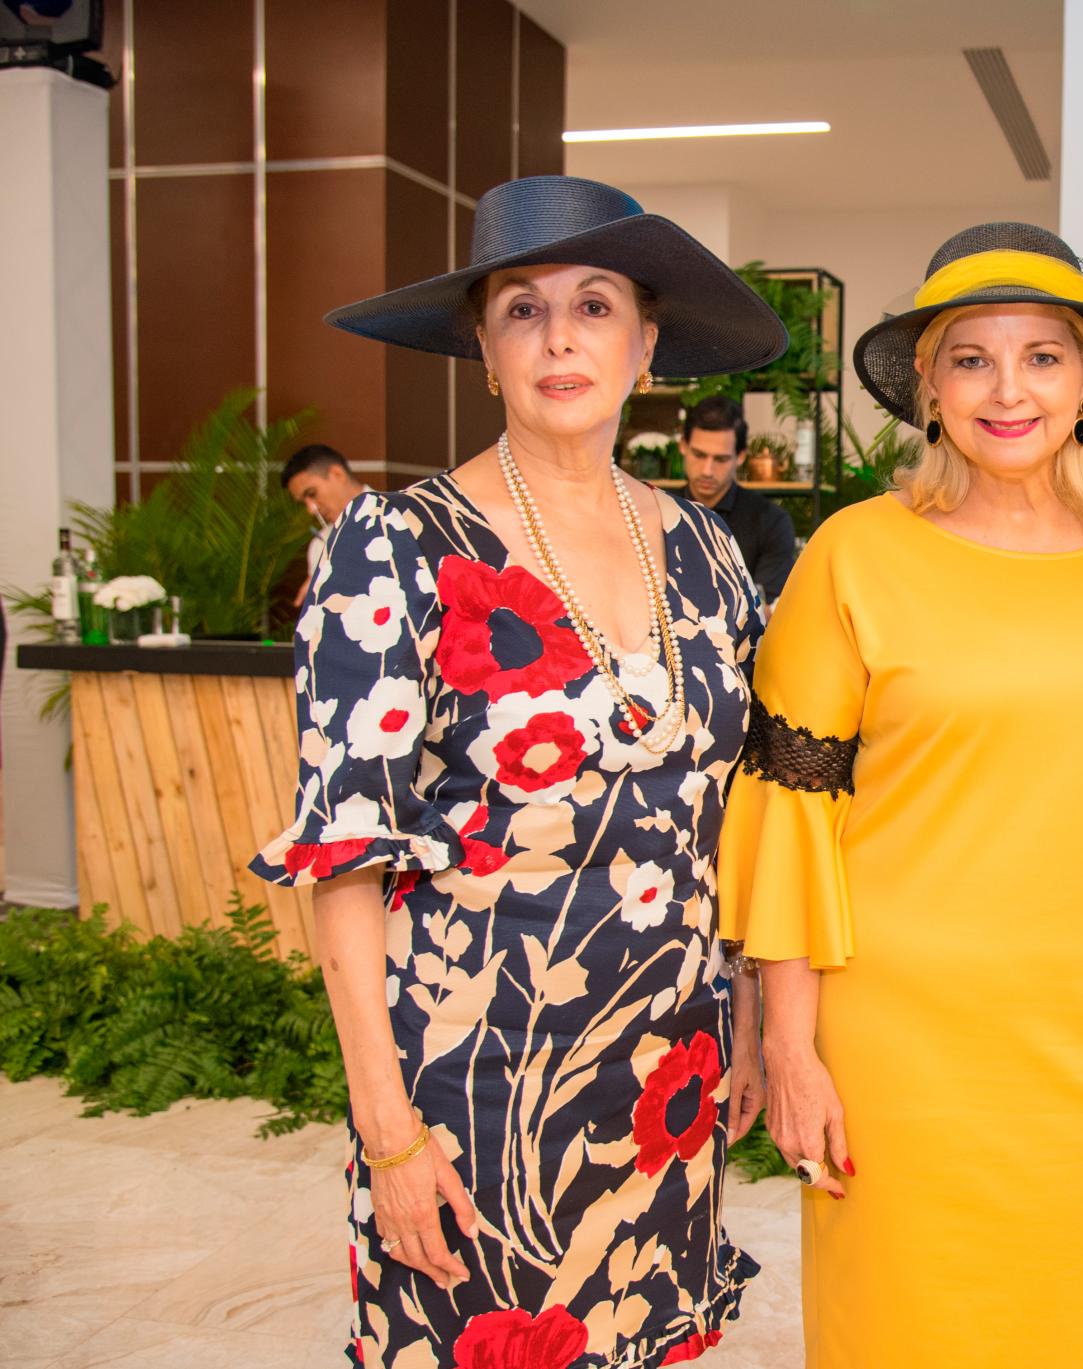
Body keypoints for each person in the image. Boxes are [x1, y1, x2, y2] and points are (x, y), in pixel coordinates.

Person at [248, 174, 789, 1368]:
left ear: (645, 345)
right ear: (480, 350)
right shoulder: (390, 547)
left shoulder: (705, 552)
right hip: (476, 1082)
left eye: (595, 306)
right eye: (520, 307)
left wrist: (748, 1010)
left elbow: (735, 812)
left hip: (667, 1067)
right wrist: (386, 1130)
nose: (558, 336)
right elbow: (345, 857)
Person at [716, 222, 1083, 1366]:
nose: (1008, 388)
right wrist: (790, 1045)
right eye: (971, 357)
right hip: (897, 1051)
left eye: (1042, 355)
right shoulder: (855, 554)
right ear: (929, 387)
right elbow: (791, 812)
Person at [680, 394, 797, 602]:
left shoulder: (770, 521)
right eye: (698, 455)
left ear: (740, 456)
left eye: (721, 459)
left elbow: (765, 608)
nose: (707, 470)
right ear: (683, 446)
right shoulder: (654, 511)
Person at [282, 444, 372, 607]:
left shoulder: (400, 517)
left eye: (312, 494)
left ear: (337, 474)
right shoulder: (321, 543)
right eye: (304, 503)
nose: (311, 509)